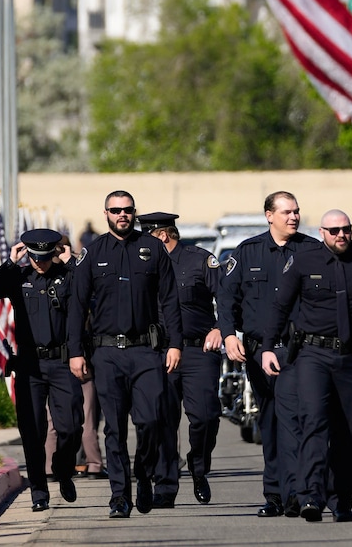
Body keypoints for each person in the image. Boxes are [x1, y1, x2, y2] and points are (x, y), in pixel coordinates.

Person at [261, 209, 352, 523]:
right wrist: (268, 349)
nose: (342, 236)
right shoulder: (305, 260)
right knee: (314, 422)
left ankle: (341, 503)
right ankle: (311, 495)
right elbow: (280, 306)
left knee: (346, 431)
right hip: (313, 355)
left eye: (346, 229)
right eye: (335, 230)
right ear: (322, 232)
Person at [67, 191, 183, 520]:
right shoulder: (92, 254)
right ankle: (119, 496)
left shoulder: (153, 249)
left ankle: (144, 475)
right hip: (106, 353)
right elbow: (77, 306)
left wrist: (175, 344)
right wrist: (76, 352)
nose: (123, 215)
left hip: (146, 351)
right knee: (114, 429)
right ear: (105, 213)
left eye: (128, 210)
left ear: (135, 213)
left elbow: (170, 299)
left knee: (151, 421)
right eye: (116, 210)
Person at [217, 190, 319, 518]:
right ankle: (275, 494)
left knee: (300, 421)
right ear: (269, 215)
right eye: (286, 212)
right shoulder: (247, 253)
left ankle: (301, 493)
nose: (293, 217)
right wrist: (229, 336)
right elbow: (226, 299)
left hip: (300, 351)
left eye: (297, 211)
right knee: (271, 421)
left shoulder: (313, 251)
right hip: (259, 351)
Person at [0, 228, 84, 513]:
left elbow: (91, 289)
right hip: (29, 364)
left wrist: (71, 261)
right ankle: (39, 492)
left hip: (62, 363)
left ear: (54, 252)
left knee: (71, 426)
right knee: (32, 432)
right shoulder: (20, 276)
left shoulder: (67, 276)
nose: (40, 262)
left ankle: (63, 469)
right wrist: (11, 263)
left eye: (45, 256)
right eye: (34, 256)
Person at [138, 211, 222, 508]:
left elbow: (225, 296)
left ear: (162, 236)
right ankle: (165, 487)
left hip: (199, 350)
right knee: (163, 421)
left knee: (206, 416)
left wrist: (220, 328)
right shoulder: (143, 265)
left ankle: (199, 468)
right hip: (159, 351)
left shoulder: (199, 260)